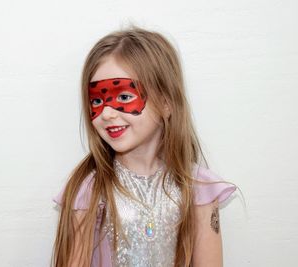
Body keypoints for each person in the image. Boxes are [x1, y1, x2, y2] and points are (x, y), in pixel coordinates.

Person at [51, 26, 239, 267]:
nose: (107, 113)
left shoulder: (198, 188)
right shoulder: (87, 191)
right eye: (97, 100)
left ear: (166, 102)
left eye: (124, 97)